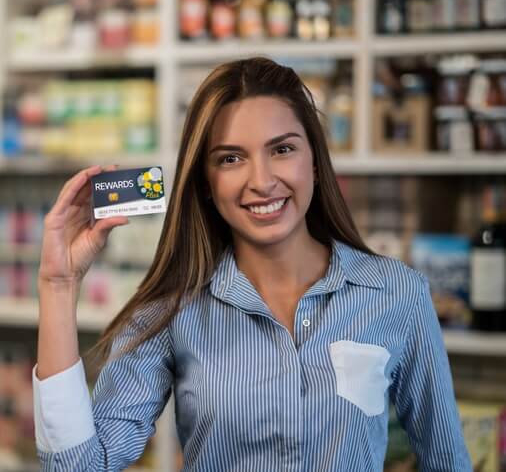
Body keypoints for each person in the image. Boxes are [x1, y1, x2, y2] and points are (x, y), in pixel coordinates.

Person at [33, 57, 472, 471]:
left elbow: (447, 461)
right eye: (231, 158)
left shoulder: (396, 293)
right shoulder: (171, 308)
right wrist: (58, 284)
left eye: (282, 149)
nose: (261, 182)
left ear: (315, 162)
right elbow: (80, 466)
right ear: (206, 182)